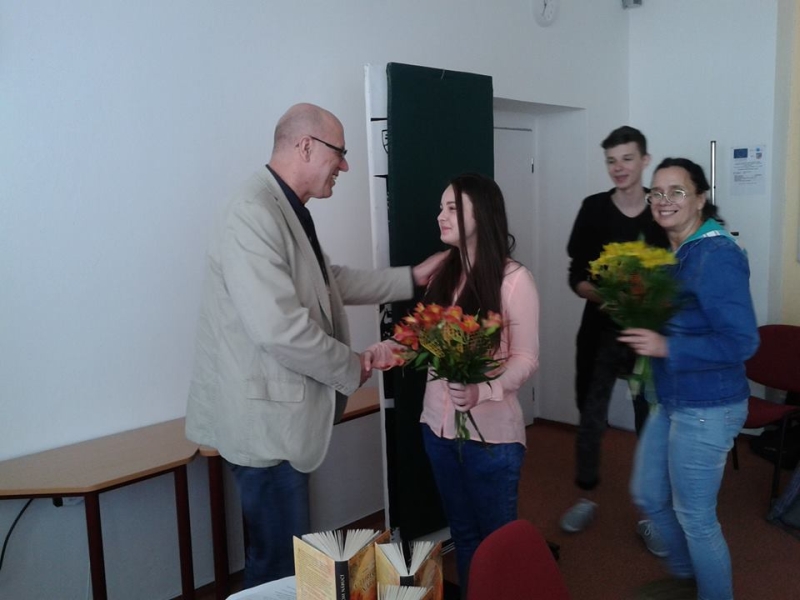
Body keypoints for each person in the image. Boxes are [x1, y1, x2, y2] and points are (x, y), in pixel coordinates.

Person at [185, 103, 446, 588]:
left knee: (286, 557)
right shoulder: (253, 212)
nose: (345, 165)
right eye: (339, 152)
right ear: (306, 146)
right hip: (265, 427)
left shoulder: (285, 206)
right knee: (278, 569)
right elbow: (280, 329)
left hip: (282, 420)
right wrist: (355, 364)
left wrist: (410, 278)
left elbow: (331, 281)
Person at [368, 173, 540, 596]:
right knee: (463, 534)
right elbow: (421, 337)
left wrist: (484, 390)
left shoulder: (515, 279)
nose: (440, 216)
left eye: (452, 208)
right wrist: (384, 350)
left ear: (482, 214)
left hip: (492, 440)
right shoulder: (444, 271)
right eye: (440, 208)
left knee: (499, 544)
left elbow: (526, 358)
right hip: (438, 430)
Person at [621, 158, 758, 600]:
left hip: (709, 407)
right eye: (656, 192)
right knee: (649, 493)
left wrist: (667, 347)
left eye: (677, 191)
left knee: (696, 517)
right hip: (673, 399)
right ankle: (688, 579)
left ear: (700, 199)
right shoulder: (678, 253)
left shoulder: (716, 256)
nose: (664, 201)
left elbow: (741, 341)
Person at [561, 126, 670, 556]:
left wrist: (647, 302)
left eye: (627, 158)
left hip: (648, 335)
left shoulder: (661, 210)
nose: (619, 168)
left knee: (650, 422)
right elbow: (577, 276)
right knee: (591, 417)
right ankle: (585, 497)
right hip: (601, 332)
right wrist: (606, 295)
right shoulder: (593, 208)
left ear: (645, 160)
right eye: (611, 161)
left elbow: (674, 273)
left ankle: (650, 514)